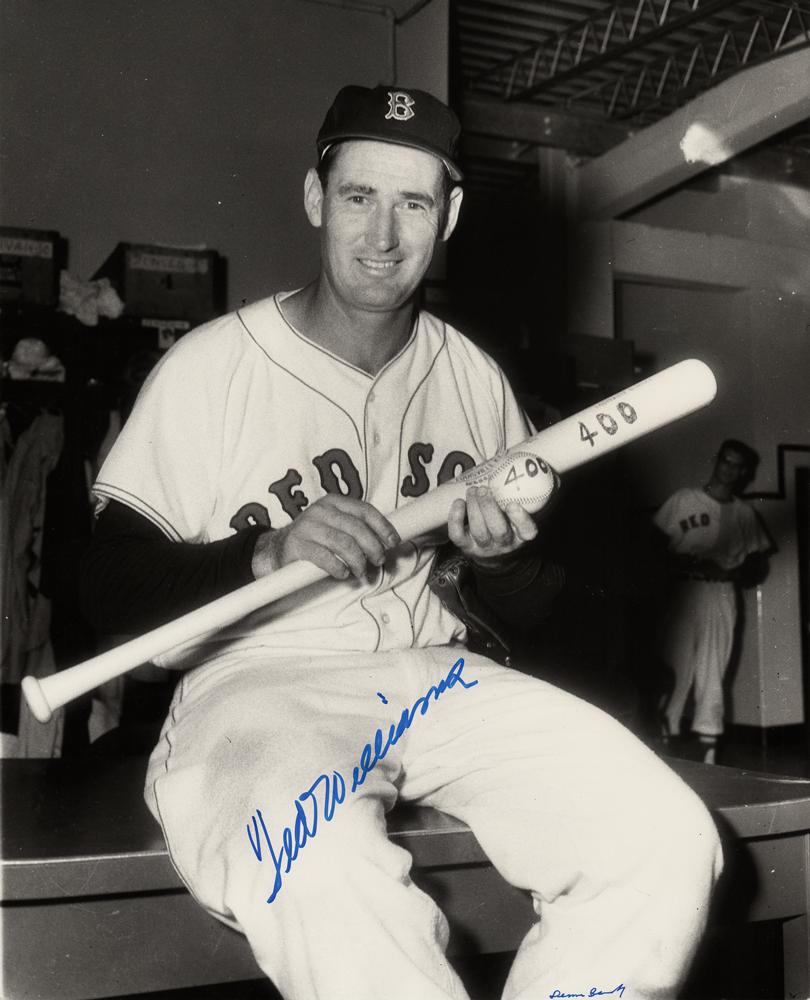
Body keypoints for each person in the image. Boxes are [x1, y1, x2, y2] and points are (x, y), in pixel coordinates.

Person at [80, 85, 722, 1000]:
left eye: (413, 203)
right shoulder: (210, 367)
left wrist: (502, 564)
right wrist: (262, 553)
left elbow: (543, 620)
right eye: (359, 196)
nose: (383, 235)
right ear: (316, 198)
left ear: (448, 217)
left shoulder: (475, 378)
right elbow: (107, 587)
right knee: (314, 863)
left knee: (664, 835)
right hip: (265, 683)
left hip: (443, 677)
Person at [654, 439, 771, 763]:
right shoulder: (683, 500)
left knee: (712, 672)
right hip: (682, 590)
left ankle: (708, 752)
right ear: (716, 461)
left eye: (737, 466)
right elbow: (650, 548)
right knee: (672, 668)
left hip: (720, 594)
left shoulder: (744, 513)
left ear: (744, 472)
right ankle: (663, 740)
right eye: (725, 461)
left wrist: (731, 572)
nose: (729, 470)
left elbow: (758, 565)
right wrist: (679, 564)